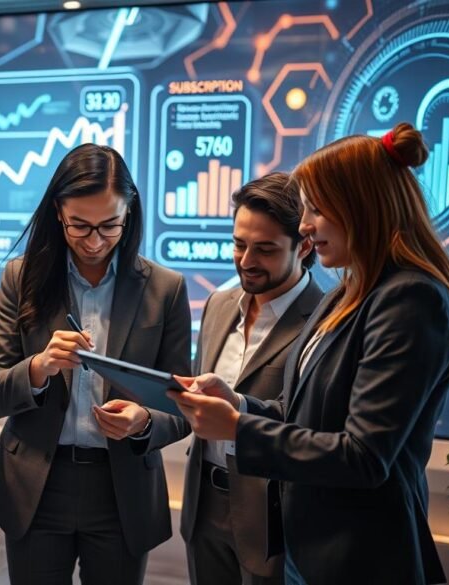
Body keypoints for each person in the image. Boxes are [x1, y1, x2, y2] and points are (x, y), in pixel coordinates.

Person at [168, 122, 449, 585]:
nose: (306, 225)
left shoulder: (411, 299)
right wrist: (239, 405)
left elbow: (364, 456)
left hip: (359, 556)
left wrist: (238, 428)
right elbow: (306, 415)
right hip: (308, 549)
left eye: (316, 209)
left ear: (360, 208)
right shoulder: (349, 293)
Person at [0, 143, 191, 585]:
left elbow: (181, 407)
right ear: (58, 212)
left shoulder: (166, 289)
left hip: (122, 490)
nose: (94, 241)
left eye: (109, 226)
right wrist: (38, 367)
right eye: (80, 226)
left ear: (128, 213)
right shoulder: (22, 278)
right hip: (37, 483)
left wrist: (144, 422)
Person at [179, 173, 321, 585]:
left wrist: (240, 414)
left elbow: (312, 427)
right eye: (239, 244)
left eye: (265, 250)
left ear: (305, 245)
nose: (245, 260)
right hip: (203, 502)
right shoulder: (219, 304)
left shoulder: (326, 320)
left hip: (274, 517)